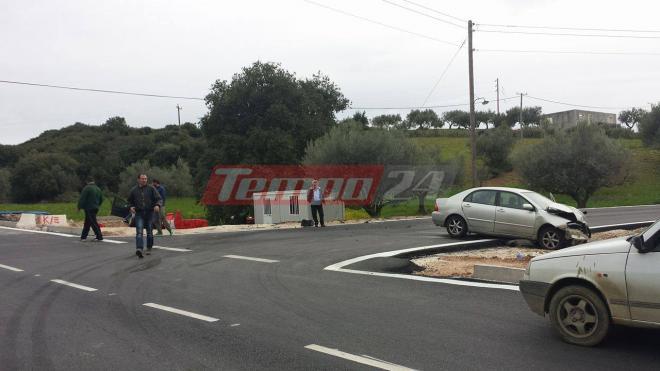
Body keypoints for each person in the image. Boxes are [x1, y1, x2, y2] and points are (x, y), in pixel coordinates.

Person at [127, 174, 162, 258]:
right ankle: (139, 249)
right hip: (139, 214)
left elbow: (159, 198)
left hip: (150, 213)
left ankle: (149, 248)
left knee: (149, 232)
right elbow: (129, 201)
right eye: (142, 179)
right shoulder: (133, 190)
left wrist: (157, 205)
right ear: (138, 179)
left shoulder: (151, 188)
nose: (144, 180)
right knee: (139, 232)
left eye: (145, 179)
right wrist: (131, 207)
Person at [77, 177, 104, 242]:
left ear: (87, 181)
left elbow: (82, 199)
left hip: (89, 208)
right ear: (93, 181)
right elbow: (102, 199)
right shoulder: (98, 188)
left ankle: (99, 236)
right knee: (87, 223)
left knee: (93, 222)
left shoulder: (87, 188)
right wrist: (98, 205)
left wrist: (79, 207)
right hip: (96, 208)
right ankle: (83, 237)